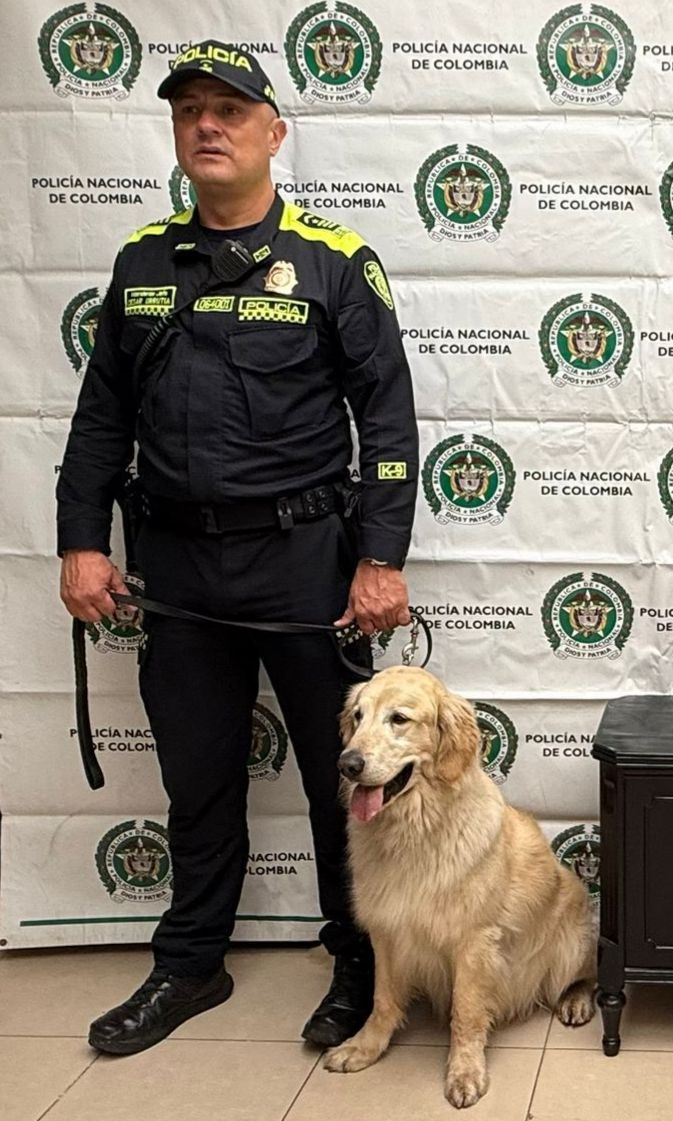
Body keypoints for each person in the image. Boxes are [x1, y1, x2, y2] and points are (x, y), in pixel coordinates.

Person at [56, 42, 418, 1055]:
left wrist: (379, 556)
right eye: (189, 113)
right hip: (175, 569)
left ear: (272, 133)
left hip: (307, 561)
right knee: (198, 775)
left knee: (341, 778)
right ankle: (190, 960)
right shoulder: (139, 265)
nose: (207, 126)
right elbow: (99, 423)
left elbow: (386, 419)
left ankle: (359, 956)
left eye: (229, 110)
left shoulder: (334, 262)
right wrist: (83, 542)